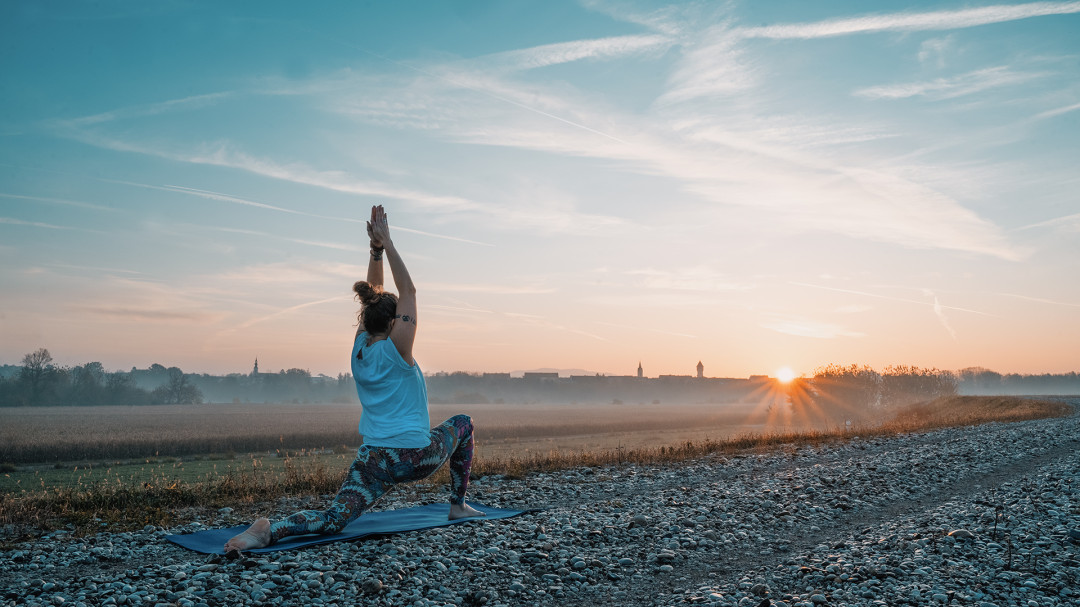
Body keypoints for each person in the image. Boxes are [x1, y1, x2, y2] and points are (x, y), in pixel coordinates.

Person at [224, 205, 484, 555]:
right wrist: (388, 243)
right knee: (464, 423)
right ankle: (457, 504)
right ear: (394, 323)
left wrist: (374, 251)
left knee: (335, 518)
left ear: (368, 320)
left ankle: (270, 531)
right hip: (412, 456)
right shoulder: (398, 350)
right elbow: (409, 292)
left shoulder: (359, 350)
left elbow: (375, 296)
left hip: (374, 459)